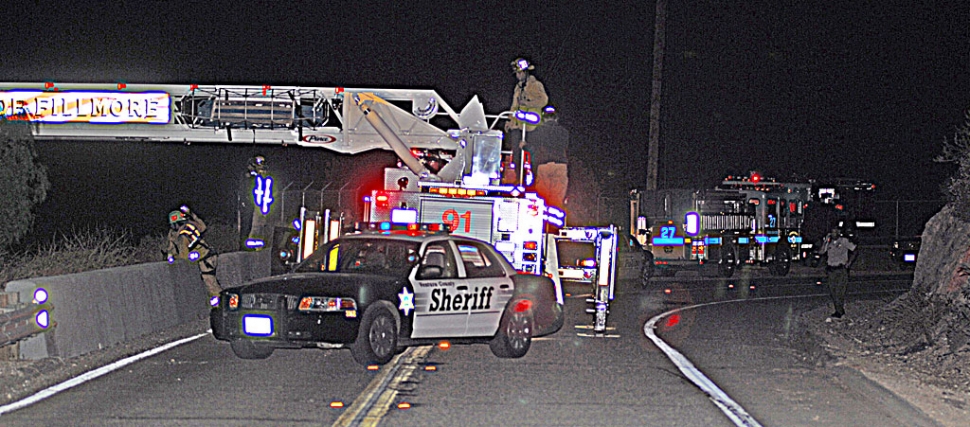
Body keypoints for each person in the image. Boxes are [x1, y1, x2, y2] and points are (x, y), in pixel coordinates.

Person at [504, 57, 549, 186]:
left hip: (531, 127)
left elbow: (543, 101)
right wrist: (509, 121)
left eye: (520, 73)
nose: (518, 76)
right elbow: (514, 106)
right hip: (517, 126)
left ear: (526, 72)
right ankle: (519, 179)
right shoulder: (518, 88)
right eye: (517, 73)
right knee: (516, 154)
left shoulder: (535, 85)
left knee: (532, 154)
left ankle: (533, 181)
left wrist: (528, 101)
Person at [164, 205, 222, 300]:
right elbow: (203, 227)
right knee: (213, 281)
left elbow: (184, 255)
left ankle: (220, 304)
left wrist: (174, 257)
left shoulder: (182, 236)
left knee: (210, 283)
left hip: (205, 259)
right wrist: (192, 215)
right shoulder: (191, 225)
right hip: (210, 255)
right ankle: (221, 300)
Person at [526, 105, 569, 207]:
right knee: (557, 198)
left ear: (543, 118)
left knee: (543, 198)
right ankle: (554, 220)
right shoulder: (564, 132)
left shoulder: (538, 131)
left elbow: (533, 148)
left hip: (544, 165)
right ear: (556, 118)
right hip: (560, 165)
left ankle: (543, 220)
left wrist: (524, 146)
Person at [817, 227, 857, 320]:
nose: (833, 233)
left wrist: (849, 263)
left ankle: (840, 312)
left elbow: (855, 250)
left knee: (840, 292)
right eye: (832, 232)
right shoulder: (829, 243)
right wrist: (826, 241)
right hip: (831, 269)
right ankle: (838, 311)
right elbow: (821, 252)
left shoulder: (843, 241)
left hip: (841, 269)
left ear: (839, 232)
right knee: (833, 292)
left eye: (835, 232)